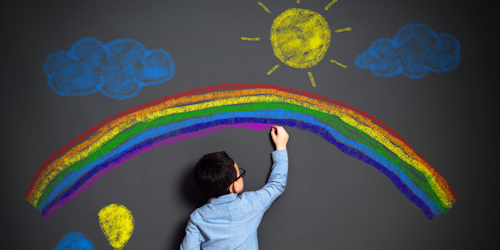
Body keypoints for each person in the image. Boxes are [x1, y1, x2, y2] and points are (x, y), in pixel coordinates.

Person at [180, 125, 289, 250]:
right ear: (234, 186)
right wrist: (281, 147)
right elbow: (277, 184)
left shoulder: (197, 218)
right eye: (240, 174)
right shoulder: (251, 203)